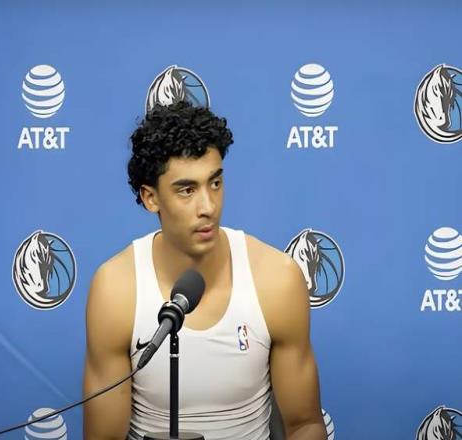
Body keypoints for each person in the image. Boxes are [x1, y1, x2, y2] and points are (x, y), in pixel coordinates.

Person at [83, 101, 326, 440]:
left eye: (215, 183)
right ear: (151, 198)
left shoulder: (276, 279)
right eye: (187, 190)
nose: (208, 207)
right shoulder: (116, 289)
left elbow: (304, 424)